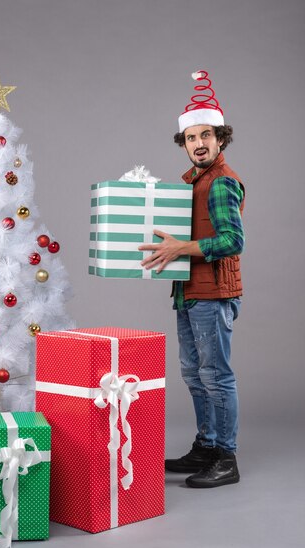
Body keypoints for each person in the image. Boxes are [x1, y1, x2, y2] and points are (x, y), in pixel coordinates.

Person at [139, 70, 245, 488]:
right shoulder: (194, 183)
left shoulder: (220, 183)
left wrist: (179, 248)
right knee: (193, 373)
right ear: (183, 143)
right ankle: (206, 444)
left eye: (206, 136)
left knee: (215, 375)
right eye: (190, 138)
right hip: (188, 292)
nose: (198, 144)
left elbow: (232, 241)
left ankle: (226, 456)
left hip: (213, 292)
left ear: (220, 139)